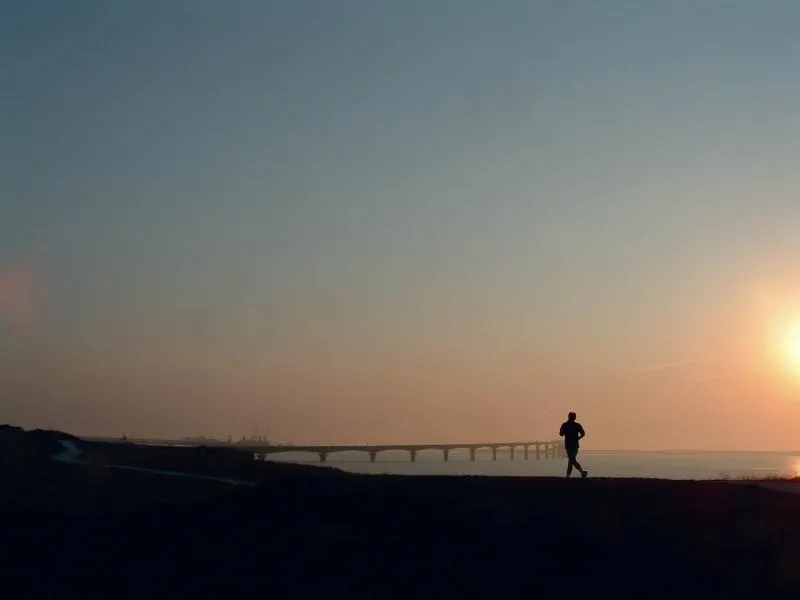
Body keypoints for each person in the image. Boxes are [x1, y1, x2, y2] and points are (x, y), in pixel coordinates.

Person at [559, 412, 588, 479]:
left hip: (572, 445)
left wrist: (578, 438)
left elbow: (561, 434)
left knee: (571, 460)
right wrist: (578, 438)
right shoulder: (570, 425)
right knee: (571, 460)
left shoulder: (567, 425)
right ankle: (580, 472)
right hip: (572, 445)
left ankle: (570, 475)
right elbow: (561, 434)